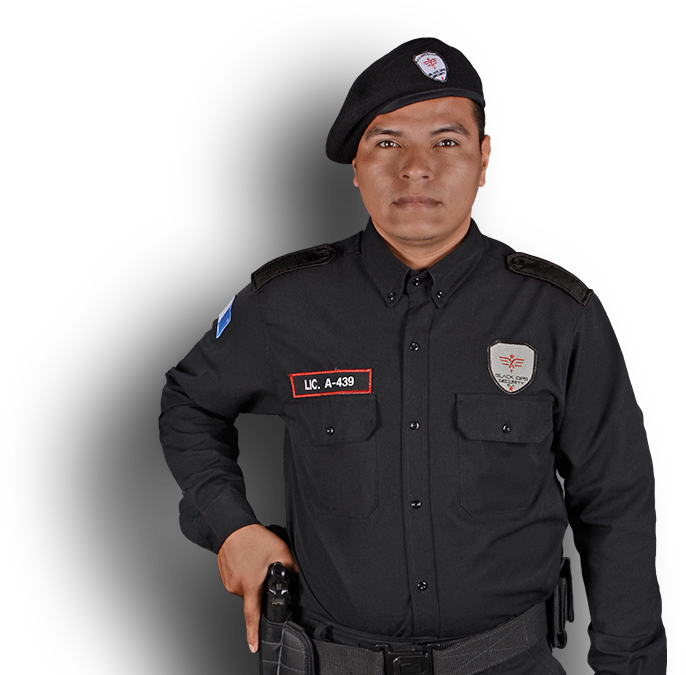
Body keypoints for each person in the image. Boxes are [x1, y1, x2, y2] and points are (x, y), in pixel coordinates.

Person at [159, 37, 665, 674]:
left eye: (446, 142)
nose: (416, 168)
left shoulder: (560, 312)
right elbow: (189, 403)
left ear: (485, 160)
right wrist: (231, 526)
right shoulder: (283, 303)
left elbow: (617, 502)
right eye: (388, 142)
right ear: (356, 165)